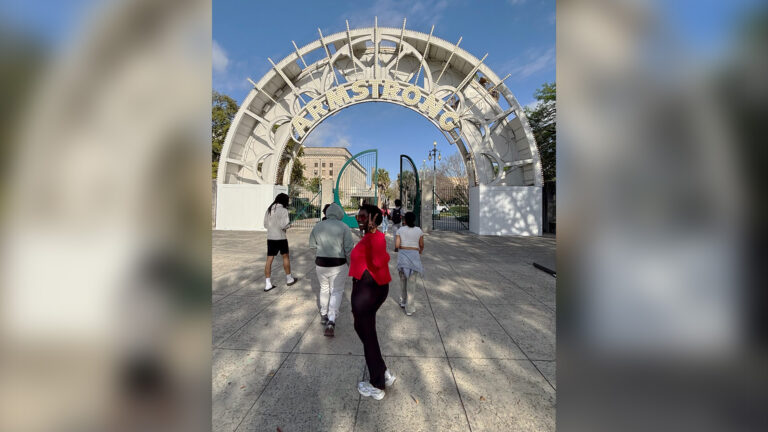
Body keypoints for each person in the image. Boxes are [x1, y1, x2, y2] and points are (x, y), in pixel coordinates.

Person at [349, 204, 396, 400]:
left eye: (362, 216)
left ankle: (377, 385)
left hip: (368, 290)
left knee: (367, 336)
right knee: (367, 333)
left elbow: (378, 261)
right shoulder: (371, 237)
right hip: (370, 289)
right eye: (358, 215)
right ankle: (383, 371)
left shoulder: (375, 238)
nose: (358, 218)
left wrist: (379, 251)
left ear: (372, 218)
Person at [309, 203, 354, 337]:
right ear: (340, 213)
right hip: (338, 264)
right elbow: (348, 249)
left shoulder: (318, 226)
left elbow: (312, 246)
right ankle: (331, 320)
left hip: (321, 264)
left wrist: (320, 253)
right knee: (337, 291)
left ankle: (323, 314)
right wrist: (350, 264)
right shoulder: (344, 227)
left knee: (323, 288)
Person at [263, 193, 297, 291]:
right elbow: (284, 225)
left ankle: (268, 283)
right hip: (281, 237)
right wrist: (289, 226)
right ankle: (289, 279)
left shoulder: (269, 210)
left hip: (270, 237)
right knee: (285, 257)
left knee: (269, 260)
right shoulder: (284, 210)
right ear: (284, 201)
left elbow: (265, 224)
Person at [395, 212, 424, 316]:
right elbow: (421, 245)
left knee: (403, 281)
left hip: (403, 259)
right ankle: (409, 308)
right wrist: (418, 251)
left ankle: (403, 302)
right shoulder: (419, 231)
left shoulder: (400, 230)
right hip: (414, 258)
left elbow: (397, 245)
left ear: (405, 220)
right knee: (411, 284)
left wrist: (403, 247)